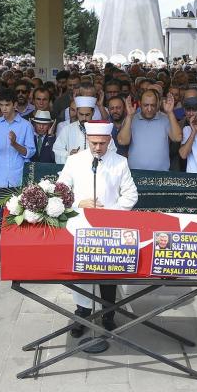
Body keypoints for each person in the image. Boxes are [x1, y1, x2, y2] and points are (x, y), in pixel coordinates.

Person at [57, 120, 138, 337]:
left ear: (109, 140)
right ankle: (82, 314)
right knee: (83, 272)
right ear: (87, 140)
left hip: (110, 227)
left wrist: (112, 212)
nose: (98, 148)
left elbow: (131, 194)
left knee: (107, 273)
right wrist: (78, 203)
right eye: (93, 143)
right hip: (81, 225)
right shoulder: (74, 161)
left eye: (102, 143)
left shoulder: (119, 162)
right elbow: (60, 192)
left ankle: (108, 315)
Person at [0, 88, 35, 205]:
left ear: (15, 104)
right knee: (0, 219)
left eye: (7, 105)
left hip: (18, 179)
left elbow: (30, 152)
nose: (4, 108)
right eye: (1, 105)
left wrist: (14, 144)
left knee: (18, 219)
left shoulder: (26, 125)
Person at [118, 90, 181, 171]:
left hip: (161, 174)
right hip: (135, 173)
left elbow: (177, 138)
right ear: (139, 103)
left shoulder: (166, 118)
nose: (149, 109)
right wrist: (129, 116)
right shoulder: (131, 119)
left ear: (157, 104)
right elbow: (122, 141)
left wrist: (170, 113)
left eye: (153, 105)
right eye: (146, 105)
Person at [54, 96, 114, 164]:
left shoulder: (102, 129)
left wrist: (100, 155)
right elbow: (57, 150)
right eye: (81, 114)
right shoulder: (67, 129)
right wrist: (69, 155)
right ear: (77, 112)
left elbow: (112, 151)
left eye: (87, 115)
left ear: (93, 112)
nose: (84, 118)